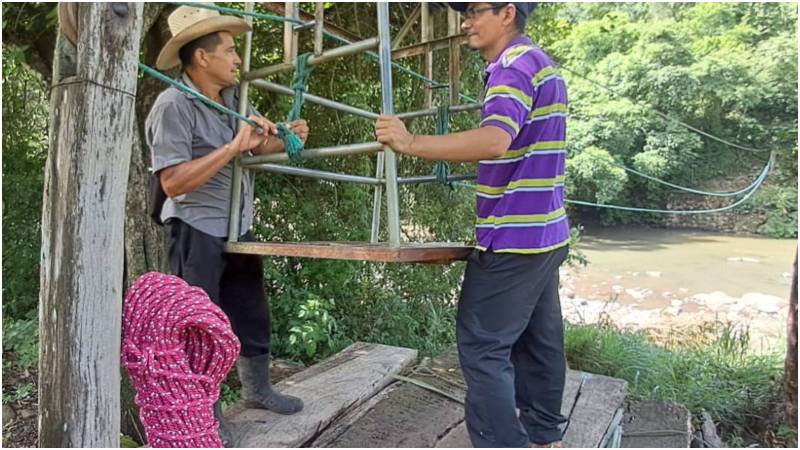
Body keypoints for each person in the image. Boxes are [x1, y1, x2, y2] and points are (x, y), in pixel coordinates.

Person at [375, 3, 569, 447]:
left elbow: (495, 139)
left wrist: (410, 142)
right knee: (540, 338)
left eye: (474, 10)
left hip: (514, 234)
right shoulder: (542, 64)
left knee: (483, 347)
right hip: (546, 232)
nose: (465, 20)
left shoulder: (513, 66)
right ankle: (542, 432)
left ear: (507, 12)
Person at [145, 4, 309, 443]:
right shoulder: (172, 106)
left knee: (251, 312)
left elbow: (255, 147)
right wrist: (235, 147)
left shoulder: (234, 99)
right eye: (231, 51)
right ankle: (205, 413)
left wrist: (284, 137)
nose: (238, 59)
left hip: (237, 224)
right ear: (203, 58)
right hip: (194, 227)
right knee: (199, 325)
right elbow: (174, 181)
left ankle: (257, 389)